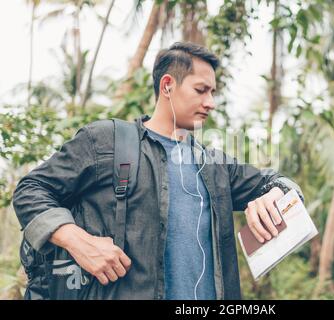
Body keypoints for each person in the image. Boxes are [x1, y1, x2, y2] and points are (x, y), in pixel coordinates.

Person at [13, 42, 304, 300]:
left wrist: (275, 193)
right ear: (167, 86)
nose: (210, 103)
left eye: (213, 92)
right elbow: (31, 189)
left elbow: (281, 183)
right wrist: (78, 241)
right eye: (201, 90)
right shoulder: (105, 141)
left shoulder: (216, 167)